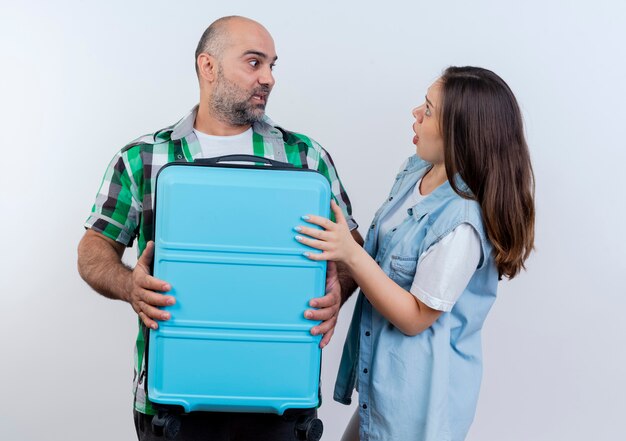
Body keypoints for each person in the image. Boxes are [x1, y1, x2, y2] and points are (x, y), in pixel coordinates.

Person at [77, 16, 363, 441]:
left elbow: (352, 246)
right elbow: (93, 249)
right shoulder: (142, 158)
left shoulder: (305, 156)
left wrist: (338, 285)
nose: (268, 78)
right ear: (207, 66)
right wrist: (129, 285)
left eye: (272, 65)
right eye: (254, 62)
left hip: (280, 401)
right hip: (172, 407)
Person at [294, 66, 535, 441]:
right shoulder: (416, 172)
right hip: (383, 386)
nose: (415, 114)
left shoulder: (462, 222)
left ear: (461, 132)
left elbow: (416, 317)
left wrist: (349, 254)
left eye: (428, 109)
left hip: (419, 406)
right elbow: (384, 253)